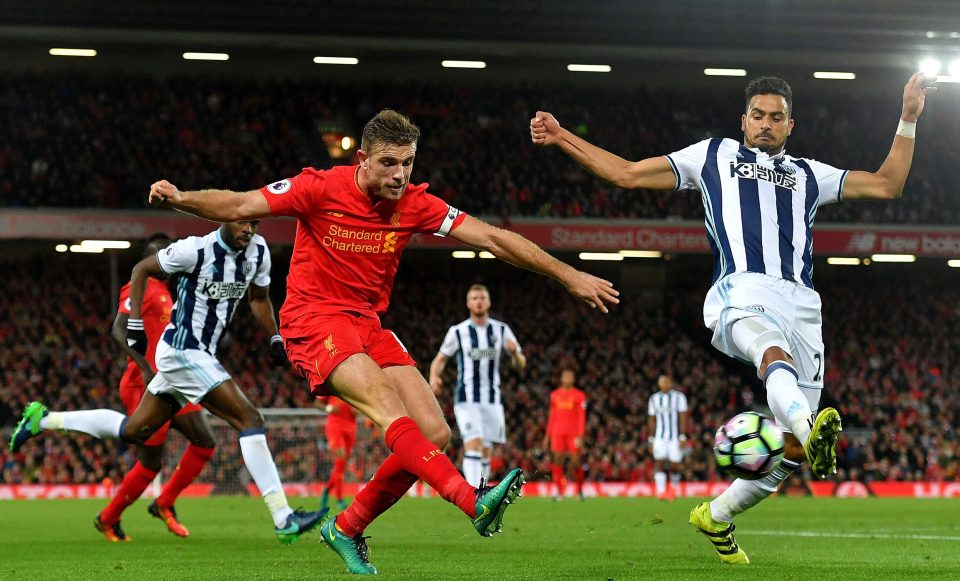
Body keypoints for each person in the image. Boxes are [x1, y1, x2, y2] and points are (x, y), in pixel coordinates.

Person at [141, 109, 618, 574]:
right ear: (363, 159)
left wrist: (567, 273)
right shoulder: (319, 187)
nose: (400, 174)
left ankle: (346, 528)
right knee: (389, 405)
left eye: (408, 163)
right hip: (313, 319)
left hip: (367, 323)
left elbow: (492, 237)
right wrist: (181, 197)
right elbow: (241, 205)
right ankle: (470, 500)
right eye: (389, 163)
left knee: (434, 433)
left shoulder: (414, 203)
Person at [531, 73, 935, 564]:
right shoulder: (712, 155)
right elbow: (627, 173)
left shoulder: (810, 174)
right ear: (743, 119)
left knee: (791, 453)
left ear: (791, 125)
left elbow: (888, 185)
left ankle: (717, 515)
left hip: (804, 304)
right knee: (771, 354)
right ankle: (812, 430)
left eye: (777, 118)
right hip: (740, 288)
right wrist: (561, 136)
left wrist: (908, 117)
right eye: (759, 115)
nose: (767, 124)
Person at [11, 221, 326, 545]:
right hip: (181, 354)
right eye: (242, 221)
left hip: (191, 356)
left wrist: (274, 335)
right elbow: (140, 271)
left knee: (134, 431)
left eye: (254, 222)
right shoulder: (194, 250)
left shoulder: (258, 252)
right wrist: (135, 332)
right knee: (249, 420)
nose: (248, 228)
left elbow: (258, 299)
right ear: (224, 217)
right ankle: (283, 516)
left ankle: (44, 420)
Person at [97, 232, 218, 541]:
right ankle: (108, 518)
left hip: (172, 383)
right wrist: (146, 368)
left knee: (204, 440)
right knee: (150, 463)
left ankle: (164, 503)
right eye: (166, 254)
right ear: (153, 257)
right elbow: (118, 330)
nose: (172, 260)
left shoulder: (165, 290)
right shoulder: (140, 287)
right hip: (143, 386)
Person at [429, 284, 526, 487]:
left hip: (492, 399)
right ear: (468, 303)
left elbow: (521, 365)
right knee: (474, 442)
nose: (479, 301)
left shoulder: (501, 330)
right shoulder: (458, 332)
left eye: (482, 297)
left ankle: (481, 491)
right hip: (467, 398)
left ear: (489, 302)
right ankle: (474, 495)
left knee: (486, 449)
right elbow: (439, 359)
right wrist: (434, 377)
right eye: (474, 298)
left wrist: (515, 353)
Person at [543, 369, 587, 500]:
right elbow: (551, 416)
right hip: (557, 432)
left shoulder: (579, 395)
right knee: (557, 460)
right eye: (565, 376)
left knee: (576, 462)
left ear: (573, 379)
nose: (568, 379)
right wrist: (547, 435)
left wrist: (581, 436)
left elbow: (581, 417)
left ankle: (580, 490)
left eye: (570, 377)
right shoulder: (554, 395)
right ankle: (559, 491)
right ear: (561, 379)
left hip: (573, 433)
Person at [646, 374, 688, 501]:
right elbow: (651, 420)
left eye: (668, 382)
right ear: (660, 384)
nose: (666, 384)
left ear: (671, 383)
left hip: (675, 437)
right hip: (659, 437)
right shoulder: (654, 399)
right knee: (659, 462)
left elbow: (683, 417)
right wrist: (651, 439)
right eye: (663, 382)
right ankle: (661, 492)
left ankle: (673, 490)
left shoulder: (679, 397)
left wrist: (682, 436)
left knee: (675, 464)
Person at [318, 395, 357, 512]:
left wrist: (358, 410)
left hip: (351, 428)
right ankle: (339, 499)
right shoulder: (329, 385)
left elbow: (362, 406)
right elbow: (317, 404)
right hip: (335, 426)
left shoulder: (354, 388)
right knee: (340, 461)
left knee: (342, 465)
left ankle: (327, 489)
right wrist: (329, 408)